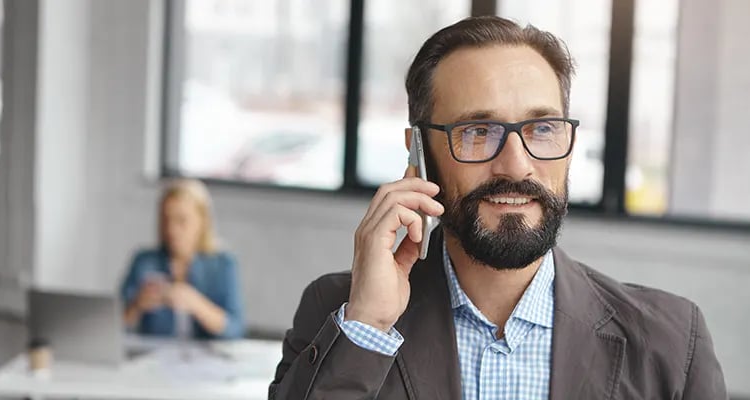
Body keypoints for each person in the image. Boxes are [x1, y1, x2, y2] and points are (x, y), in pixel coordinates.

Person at [269, 16, 727, 399]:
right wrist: (368, 326)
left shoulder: (670, 341)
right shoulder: (340, 312)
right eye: (478, 132)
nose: (517, 165)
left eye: (542, 129)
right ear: (418, 153)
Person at [121, 179, 245, 339]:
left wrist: (196, 304)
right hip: (155, 358)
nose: (171, 230)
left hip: (205, 360)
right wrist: (136, 305)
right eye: (166, 220)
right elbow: (111, 326)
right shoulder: (144, 262)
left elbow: (235, 330)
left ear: (202, 222)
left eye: (182, 220)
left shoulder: (223, 264)